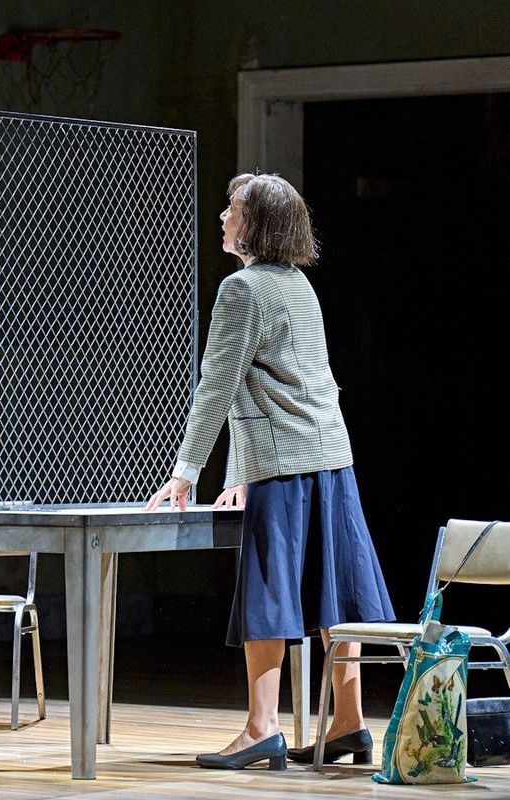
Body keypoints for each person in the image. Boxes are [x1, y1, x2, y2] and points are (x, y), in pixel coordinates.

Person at [145, 173, 394, 770]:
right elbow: (265, 390)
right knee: (337, 593)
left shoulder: (243, 289)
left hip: (286, 464)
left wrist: (185, 472)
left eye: (230, 209)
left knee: (270, 587)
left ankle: (261, 727)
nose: (222, 218)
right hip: (331, 455)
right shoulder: (298, 286)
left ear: (253, 224)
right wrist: (237, 472)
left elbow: (218, 388)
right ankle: (350, 723)